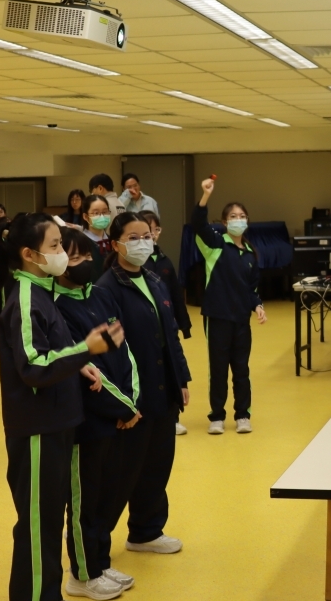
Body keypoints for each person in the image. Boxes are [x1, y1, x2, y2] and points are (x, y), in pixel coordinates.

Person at [0, 212, 120, 601]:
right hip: (37, 428)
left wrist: (79, 364)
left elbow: (49, 350)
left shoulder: (42, 290)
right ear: (29, 254)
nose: (63, 253)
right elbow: (33, 366)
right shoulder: (26, 297)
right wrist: (84, 350)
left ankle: (49, 599)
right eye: (56, 246)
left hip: (58, 421)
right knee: (37, 523)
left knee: (49, 518)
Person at [94, 212, 192, 556]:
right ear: (116, 243)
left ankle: (146, 531)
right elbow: (111, 352)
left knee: (156, 465)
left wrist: (181, 378)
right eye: (133, 238)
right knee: (122, 473)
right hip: (133, 395)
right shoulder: (107, 288)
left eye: (146, 236)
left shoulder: (154, 279)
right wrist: (122, 403)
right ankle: (93, 548)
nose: (142, 243)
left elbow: (170, 335)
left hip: (163, 389)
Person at [54, 228, 141, 601]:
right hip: (87, 421)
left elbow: (124, 351)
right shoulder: (57, 307)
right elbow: (88, 371)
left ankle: (101, 563)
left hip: (117, 415)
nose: (84, 263)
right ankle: (82, 574)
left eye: (88, 256)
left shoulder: (101, 295)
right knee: (84, 502)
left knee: (107, 495)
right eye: (74, 257)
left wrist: (132, 402)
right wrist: (123, 407)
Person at [193, 180, 265, 435]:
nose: (238, 220)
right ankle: (217, 416)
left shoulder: (250, 253)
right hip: (217, 317)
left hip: (241, 320)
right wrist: (205, 195)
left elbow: (251, 289)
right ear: (224, 222)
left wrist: (258, 305)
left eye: (242, 216)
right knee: (218, 369)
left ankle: (243, 415)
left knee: (241, 369)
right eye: (233, 216)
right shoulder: (214, 244)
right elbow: (198, 224)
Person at [139, 211, 193, 435]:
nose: (152, 235)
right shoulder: (137, 262)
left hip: (167, 325)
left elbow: (176, 296)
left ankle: (174, 416)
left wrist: (184, 324)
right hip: (145, 328)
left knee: (171, 369)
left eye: (155, 230)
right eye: (147, 231)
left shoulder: (165, 261)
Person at [80, 194, 113, 264]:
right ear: (85, 216)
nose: (102, 216)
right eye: (96, 213)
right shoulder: (81, 242)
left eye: (105, 212)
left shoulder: (112, 240)